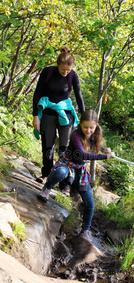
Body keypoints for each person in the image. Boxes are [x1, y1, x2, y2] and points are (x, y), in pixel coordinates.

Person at [37, 110, 114, 241]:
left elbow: (98, 145)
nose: (88, 130)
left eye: (91, 127)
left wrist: (105, 150)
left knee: (90, 203)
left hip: (80, 169)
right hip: (67, 163)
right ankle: (47, 188)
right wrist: (104, 156)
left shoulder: (94, 136)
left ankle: (85, 230)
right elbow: (83, 155)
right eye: (85, 127)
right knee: (61, 172)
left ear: (96, 125)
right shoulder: (75, 135)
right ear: (80, 125)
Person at [33, 46, 85, 188]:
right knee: (47, 146)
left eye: (68, 70)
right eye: (63, 69)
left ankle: (64, 183)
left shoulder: (73, 75)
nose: (66, 72)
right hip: (48, 112)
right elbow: (37, 93)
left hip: (65, 114)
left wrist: (85, 116)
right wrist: (35, 115)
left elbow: (79, 97)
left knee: (65, 149)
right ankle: (46, 175)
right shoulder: (48, 72)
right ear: (57, 65)